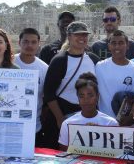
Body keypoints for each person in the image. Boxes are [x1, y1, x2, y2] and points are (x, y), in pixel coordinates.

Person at [42, 21, 100, 149]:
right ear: (69, 37)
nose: (82, 38)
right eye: (77, 35)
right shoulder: (59, 60)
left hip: (85, 115)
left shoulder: (94, 59)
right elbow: (49, 93)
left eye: (84, 35)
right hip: (62, 111)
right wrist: (60, 119)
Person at [58, 73, 118, 151]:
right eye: (82, 96)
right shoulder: (67, 124)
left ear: (97, 97)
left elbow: (116, 152)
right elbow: (63, 151)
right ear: (78, 98)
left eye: (90, 95)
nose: (86, 100)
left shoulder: (110, 123)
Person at [14, 28, 49, 148]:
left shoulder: (44, 68)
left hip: (34, 129)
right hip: (9, 128)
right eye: (26, 41)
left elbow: (45, 98)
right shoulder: (8, 62)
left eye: (34, 42)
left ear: (39, 44)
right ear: (19, 43)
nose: (29, 45)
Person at [95, 30, 134, 117]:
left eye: (121, 43)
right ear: (109, 46)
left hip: (124, 122)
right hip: (103, 120)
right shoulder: (100, 67)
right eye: (113, 43)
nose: (117, 46)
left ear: (127, 46)